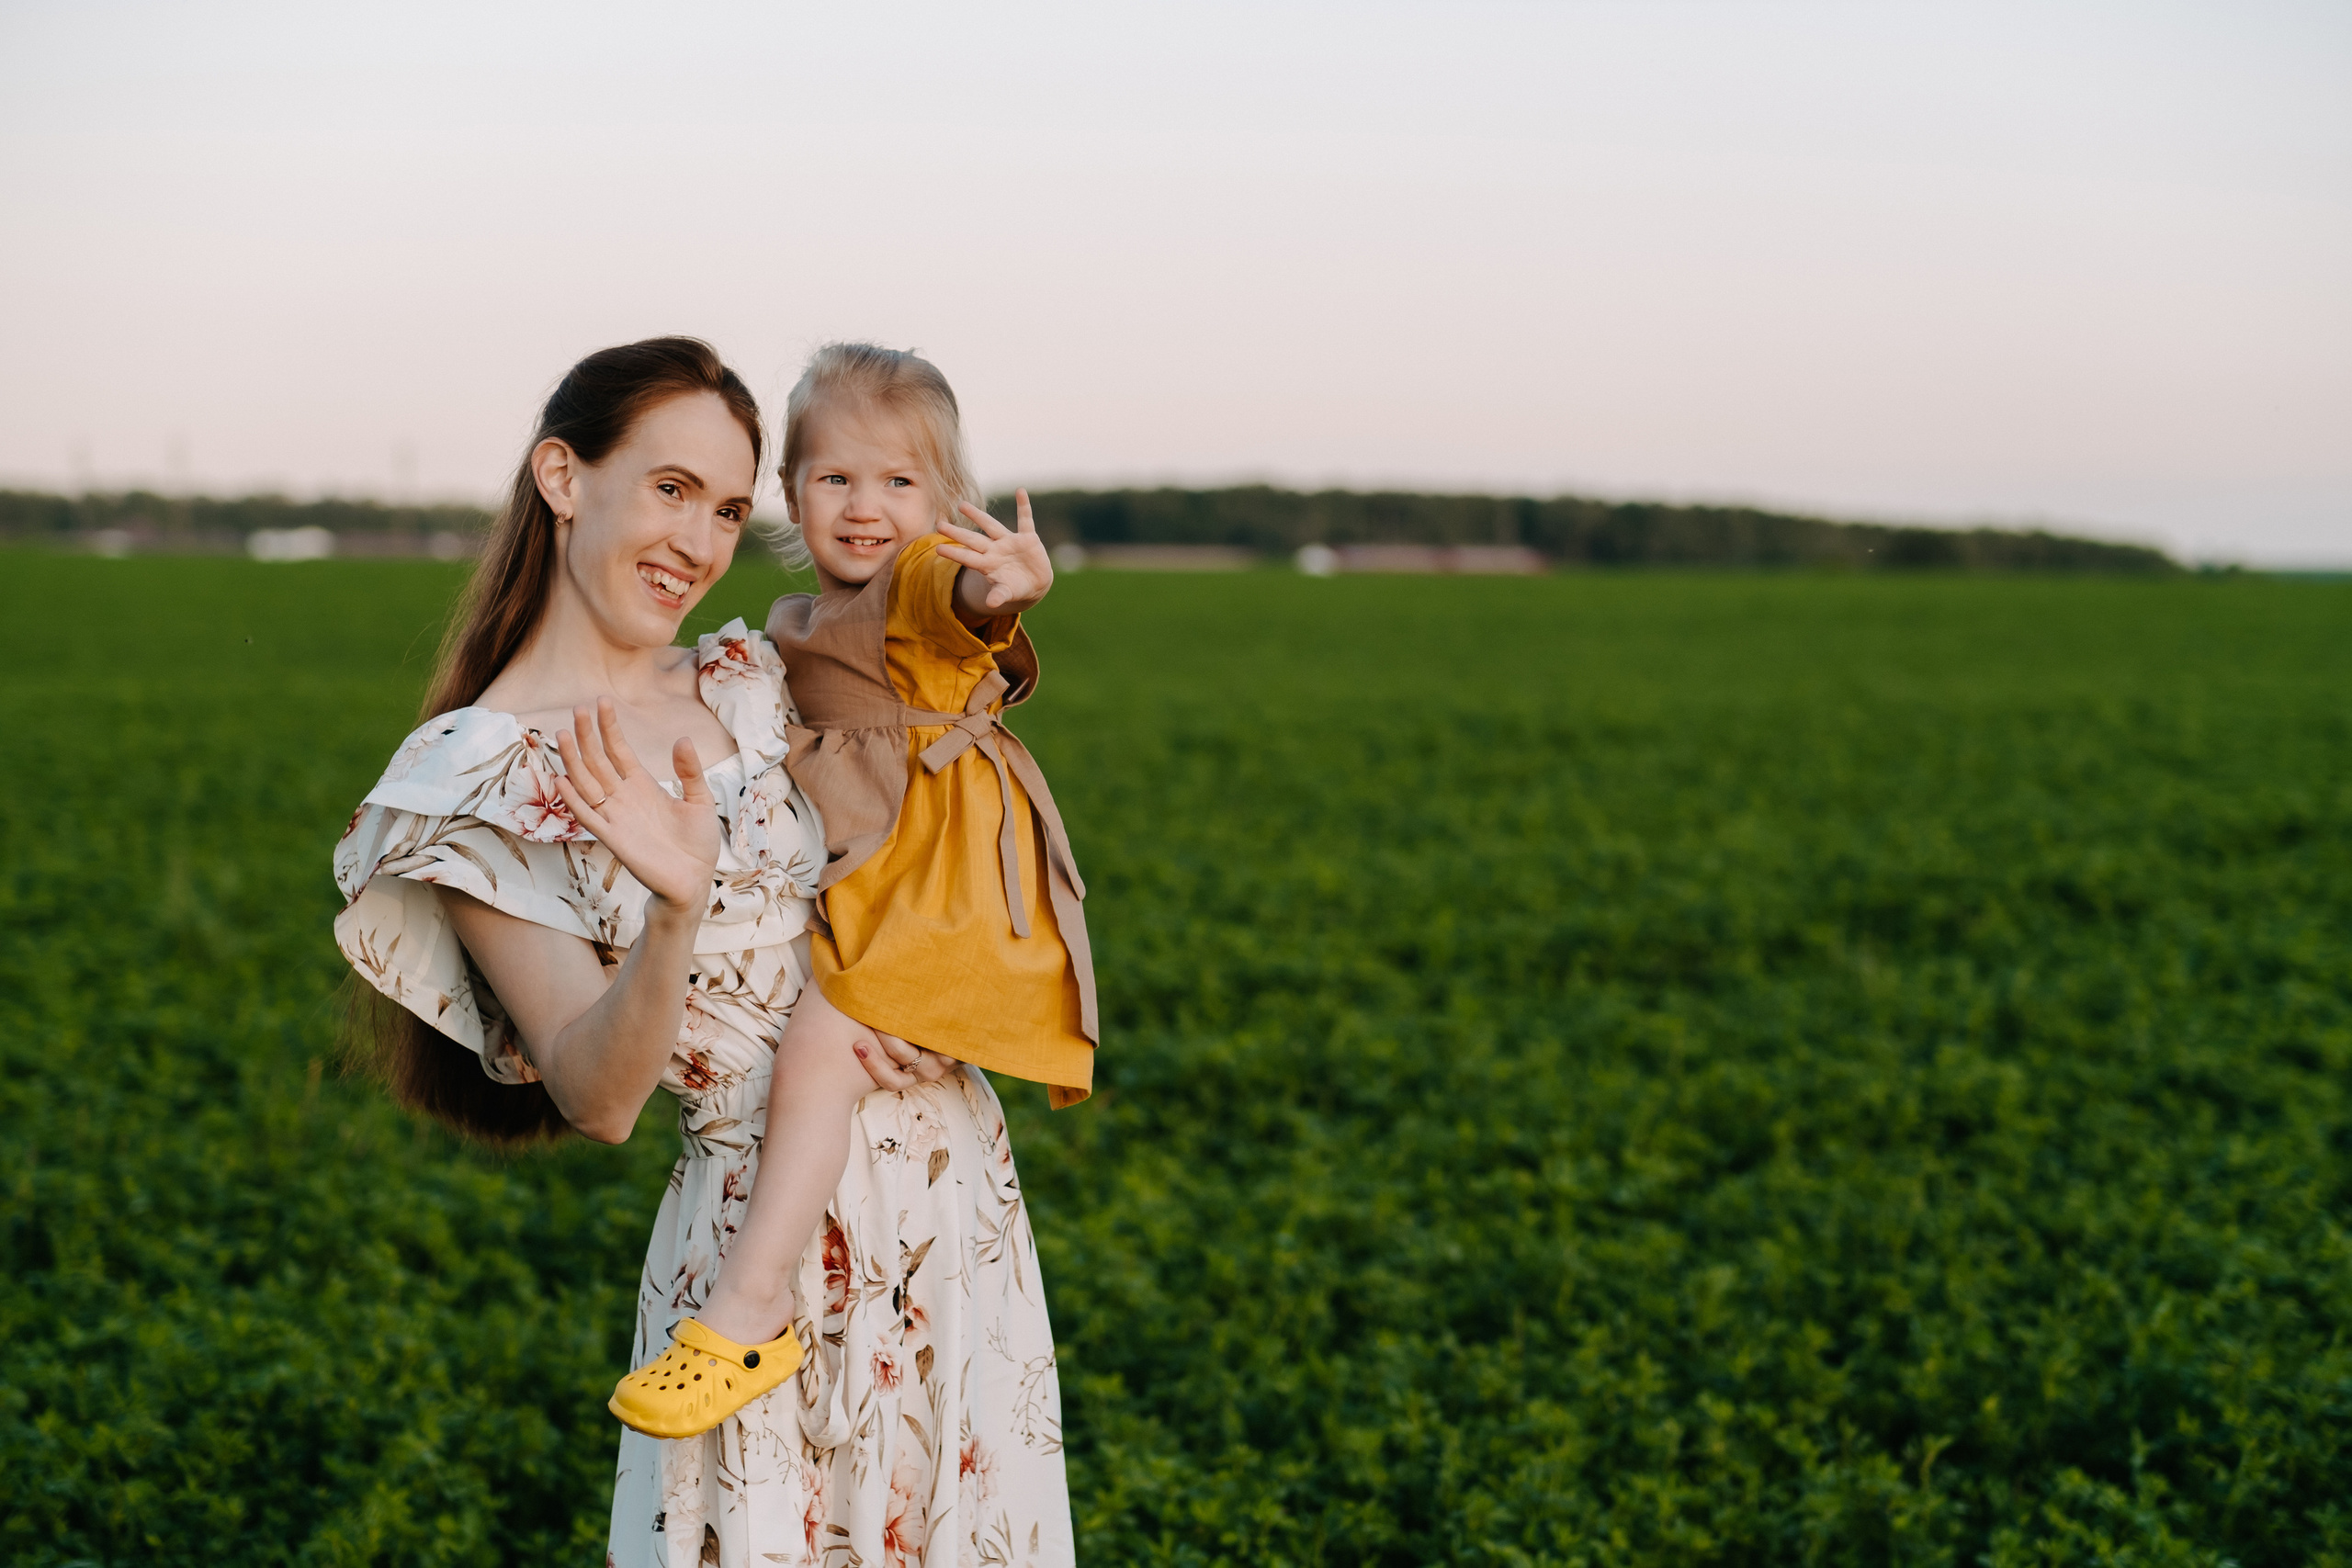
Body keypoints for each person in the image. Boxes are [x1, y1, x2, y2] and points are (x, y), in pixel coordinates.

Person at [332, 337, 1076, 1566]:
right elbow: (599, 1094)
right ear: (564, 477)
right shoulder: (479, 777)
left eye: (730, 505)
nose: (700, 538)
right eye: (670, 488)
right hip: (751, 1260)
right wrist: (673, 905)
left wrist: (945, 975)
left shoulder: (752, 674)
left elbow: (942, 765)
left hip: (950, 1197)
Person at [607, 341, 1099, 1440]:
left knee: (824, 1046)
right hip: (893, 879)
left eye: (900, 481)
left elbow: (960, 601)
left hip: (946, 887)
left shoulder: (911, 587)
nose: (865, 506)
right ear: (788, 494)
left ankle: (749, 1307)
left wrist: (1001, 588)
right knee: (828, 1033)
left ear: (946, 503)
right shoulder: (800, 621)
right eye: (835, 478)